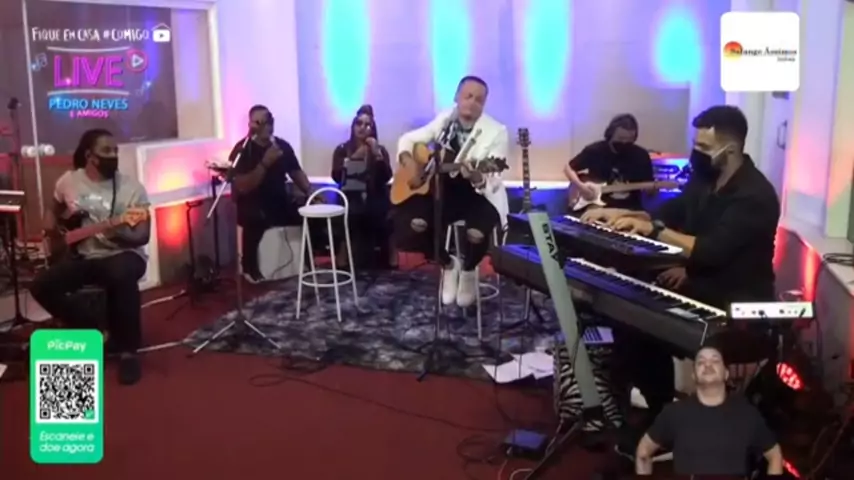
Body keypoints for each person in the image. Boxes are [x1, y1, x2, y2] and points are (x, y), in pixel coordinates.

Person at [581, 105, 780, 456]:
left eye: (703, 147)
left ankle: (667, 421)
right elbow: (670, 213)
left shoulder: (755, 196)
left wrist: (655, 231)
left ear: (730, 150)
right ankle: (660, 413)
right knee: (629, 317)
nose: (695, 153)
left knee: (646, 324)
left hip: (736, 306)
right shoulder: (705, 179)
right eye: (696, 144)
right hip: (700, 286)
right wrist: (619, 212)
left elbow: (711, 250)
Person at [30, 128, 151, 386]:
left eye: (115, 150)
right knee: (41, 285)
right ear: (89, 156)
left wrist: (118, 233)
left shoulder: (132, 188)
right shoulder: (68, 181)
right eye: (106, 151)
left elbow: (142, 236)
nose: (113, 155)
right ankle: (93, 329)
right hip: (84, 256)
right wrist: (51, 230)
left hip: (124, 254)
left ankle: (128, 352)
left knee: (121, 273)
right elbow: (53, 209)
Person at [395, 75, 509, 307]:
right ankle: (448, 264)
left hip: (480, 196)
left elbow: (494, 178)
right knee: (411, 224)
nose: (472, 102)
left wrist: (476, 175)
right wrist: (410, 164)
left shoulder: (497, 131)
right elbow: (408, 140)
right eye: (468, 96)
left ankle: (468, 269)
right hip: (444, 191)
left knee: (476, 234)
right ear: (457, 96)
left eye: (479, 100)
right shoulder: (446, 120)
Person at [635, 346, 784, 477]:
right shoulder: (673, 413)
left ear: (726, 374)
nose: (707, 364)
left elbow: (775, 455)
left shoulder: (747, 414)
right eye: (701, 362)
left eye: (715, 361)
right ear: (694, 375)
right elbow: (643, 453)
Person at [230, 104, 315, 283]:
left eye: (269, 121)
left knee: (306, 214)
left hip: (278, 199)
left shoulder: (282, 146)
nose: (267, 126)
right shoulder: (243, 150)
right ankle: (250, 267)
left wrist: (311, 192)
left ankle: (306, 263)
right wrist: (265, 163)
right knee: (254, 218)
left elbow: (296, 172)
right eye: (261, 122)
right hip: (253, 201)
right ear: (251, 125)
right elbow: (243, 186)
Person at [331, 105, 394, 269]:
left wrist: (377, 154)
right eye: (359, 123)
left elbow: (387, 177)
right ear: (353, 126)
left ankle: (390, 258)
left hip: (374, 197)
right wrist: (354, 157)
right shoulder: (342, 149)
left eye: (367, 125)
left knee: (385, 209)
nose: (362, 128)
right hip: (350, 196)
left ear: (372, 129)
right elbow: (336, 176)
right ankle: (343, 256)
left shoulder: (380, 150)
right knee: (350, 210)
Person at [563, 114, 655, 212]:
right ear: (611, 134)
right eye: (620, 138)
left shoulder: (641, 156)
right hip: (596, 207)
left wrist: (652, 190)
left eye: (629, 140)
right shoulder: (595, 150)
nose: (624, 142)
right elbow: (568, 168)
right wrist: (581, 187)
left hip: (629, 210)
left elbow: (650, 188)